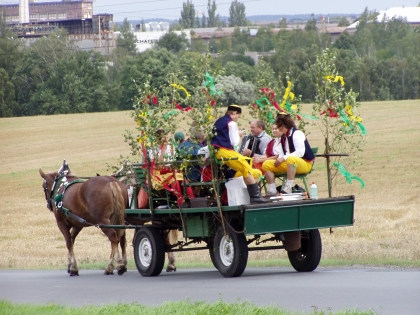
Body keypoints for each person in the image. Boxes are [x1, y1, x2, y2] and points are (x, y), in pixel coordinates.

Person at [210, 105, 268, 204]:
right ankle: (255, 197)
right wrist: (238, 134)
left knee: (245, 168)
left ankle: (254, 196)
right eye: (238, 116)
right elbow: (234, 143)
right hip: (226, 151)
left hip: (218, 152)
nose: (237, 118)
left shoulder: (219, 121)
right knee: (245, 168)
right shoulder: (231, 123)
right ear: (235, 113)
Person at [262, 113, 315, 196]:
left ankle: (288, 187)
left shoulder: (297, 133)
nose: (277, 128)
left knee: (291, 159)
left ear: (282, 125)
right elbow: (283, 153)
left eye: (278, 126)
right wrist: (277, 159)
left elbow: (300, 152)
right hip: (290, 164)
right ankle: (272, 190)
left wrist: (283, 158)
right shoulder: (284, 136)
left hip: (304, 163)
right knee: (266, 164)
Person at [148, 129, 194, 206]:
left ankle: (192, 200)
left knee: (184, 180)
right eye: (164, 137)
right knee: (174, 179)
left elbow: (174, 161)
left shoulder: (171, 147)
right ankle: (180, 201)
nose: (166, 139)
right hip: (159, 173)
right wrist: (163, 149)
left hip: (170, 170)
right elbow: (159, 165)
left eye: (166, 136)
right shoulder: (153, 149)